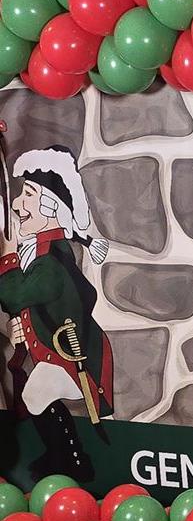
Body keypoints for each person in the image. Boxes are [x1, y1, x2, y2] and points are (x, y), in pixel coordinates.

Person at [0, 145, 112, 481]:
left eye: (29, 195)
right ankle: (62, 455)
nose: (17, 205)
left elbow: (15, 294)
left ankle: (73, 460)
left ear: (51, 206)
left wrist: (8, 257)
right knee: (35, 394)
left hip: (76, 357)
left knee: (36, 393)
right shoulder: (42, 254)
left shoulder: (51, 262)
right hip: (55, 352)